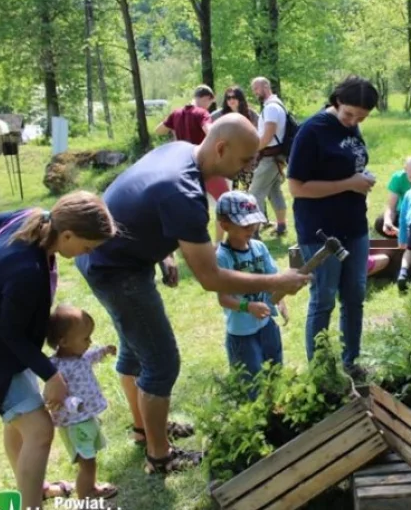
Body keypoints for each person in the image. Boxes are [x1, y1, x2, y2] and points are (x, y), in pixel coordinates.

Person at [76, 114, 311, 475]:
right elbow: (210, 277)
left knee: (135, 348)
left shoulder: (181, 150)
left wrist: (164, 252)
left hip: (108, 256)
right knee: (161, 361)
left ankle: (144, 428)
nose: (250, 166)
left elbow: (142, 203)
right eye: (245, 159)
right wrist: (276, 282)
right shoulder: (184, 193)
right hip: (115, 270)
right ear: (220, 148)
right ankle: (159, 455)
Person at [0, 192, 116, 509]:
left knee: (20, 426)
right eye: (86, 247)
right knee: (40, 431)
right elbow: (10, 333)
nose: (86, 253)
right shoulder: (27, 271)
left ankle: (34, 489)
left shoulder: (34, 217)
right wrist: (52, 375)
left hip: (2, 348)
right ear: (66, 234)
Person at [287, 76, 379, 378]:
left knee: (355, 295)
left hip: (355, 225)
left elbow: (346, 163)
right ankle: (321, 370)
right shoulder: (312, 131)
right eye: (349, 114)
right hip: (320, 230)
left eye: (361, 117)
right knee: (323, 297)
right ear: (336, 101)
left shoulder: (353, 126)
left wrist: (361, 177)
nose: (353, 121)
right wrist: (349, 184)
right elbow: (297, 187)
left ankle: (351, 361)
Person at [215, 191, 288, 392]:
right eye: (244, 225)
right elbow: (224, 298)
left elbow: (274, 278)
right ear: (225, 225)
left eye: (254, 223)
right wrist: (248, 306)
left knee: (275, 371)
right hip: (241, 332)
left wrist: (281, 302)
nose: (251, 228)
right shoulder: (222, 257)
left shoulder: (259, 247)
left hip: (267, 325)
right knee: (250, 383)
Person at [47, 305, 118, 501]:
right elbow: (54, 397)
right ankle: (86, 494)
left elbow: (90, 356)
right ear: (64, 341)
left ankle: (91, 488)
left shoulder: (77, 357)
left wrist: (104, 351)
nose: (90, 342)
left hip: (84, 419)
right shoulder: (56, 369)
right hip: (75, 423)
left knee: (90, 458)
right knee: (87, 462)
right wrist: (72, 403)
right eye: (85, 338)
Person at [156, 84, 230, 242]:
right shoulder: (202, 113)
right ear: (205, 98)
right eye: (210, 103)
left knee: (192, 206)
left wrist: (175, 130)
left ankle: (189, 242)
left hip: (183, 167)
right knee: (224, 201)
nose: (209, 107)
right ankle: (218, 244)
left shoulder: (176, 113)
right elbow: (210, 131)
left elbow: (158, 130)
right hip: (204, 165)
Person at [250, 77, 290, 237]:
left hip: (270, 157)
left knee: (255, 194)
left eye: (256, 89)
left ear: (266, 87)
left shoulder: (272, 108)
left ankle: (253, 233)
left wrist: (254, 150)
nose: (255, 93)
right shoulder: (275, 105)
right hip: (275, 156)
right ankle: (281, 226)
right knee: (274, 191)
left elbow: (267, 135)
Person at [212, 86, 260, 193]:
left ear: (240, 98)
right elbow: (206, 124)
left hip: (247, 158)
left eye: (234, 97)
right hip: (228, 159)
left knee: (244, 191)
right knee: (235, 192)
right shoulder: (219, 114)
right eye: (228, 98)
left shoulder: (251, 114)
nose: (231, 100)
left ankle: (255, 209)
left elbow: (259, 133)